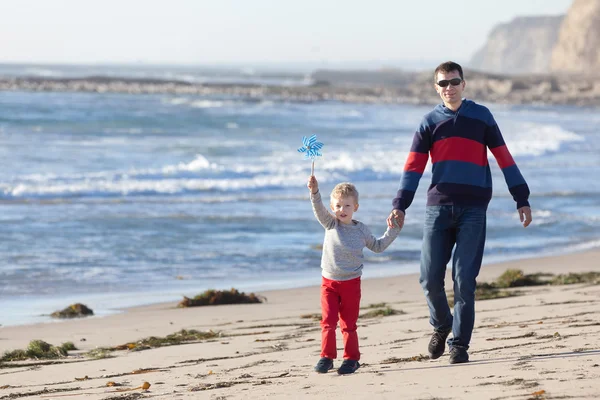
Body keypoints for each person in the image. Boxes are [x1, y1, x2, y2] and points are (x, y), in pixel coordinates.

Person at [387, 61, 532, 364]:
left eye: (454, 82)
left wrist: (521, 197)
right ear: (436, 87)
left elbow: (504, 157)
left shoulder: (481, 116)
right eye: (443, 84)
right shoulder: (428, 122)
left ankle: (460, 345)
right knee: (428, 278)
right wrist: (400, 204)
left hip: (473, 208)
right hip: (437, 208)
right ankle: (442, 325)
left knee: (464, 279)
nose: (449, 88)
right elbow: (414, 166)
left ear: (464, 84)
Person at [308, 175, 400, 374]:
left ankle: (351, 359)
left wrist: (393, 230)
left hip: (351, 283)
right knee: (328, 322)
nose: (342, 210)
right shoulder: (330, 224)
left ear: (355, 207)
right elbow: (318, 208)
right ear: (333, 208)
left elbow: (378, 246)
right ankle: (327, 357)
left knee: (348, 324)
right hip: (329, 282)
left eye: (347, 206)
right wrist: (314, 191)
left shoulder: (361, 230)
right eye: (338, 206)